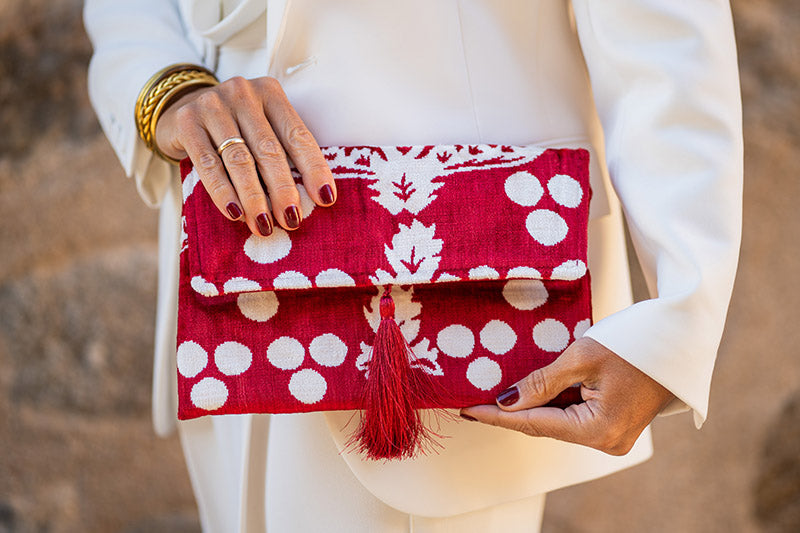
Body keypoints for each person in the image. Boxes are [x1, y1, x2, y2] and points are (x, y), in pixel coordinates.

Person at [83, 0, 743, 531]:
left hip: (458, 319)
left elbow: (664, 39)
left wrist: (677, 319)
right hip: (227, 284)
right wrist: (164, 85)